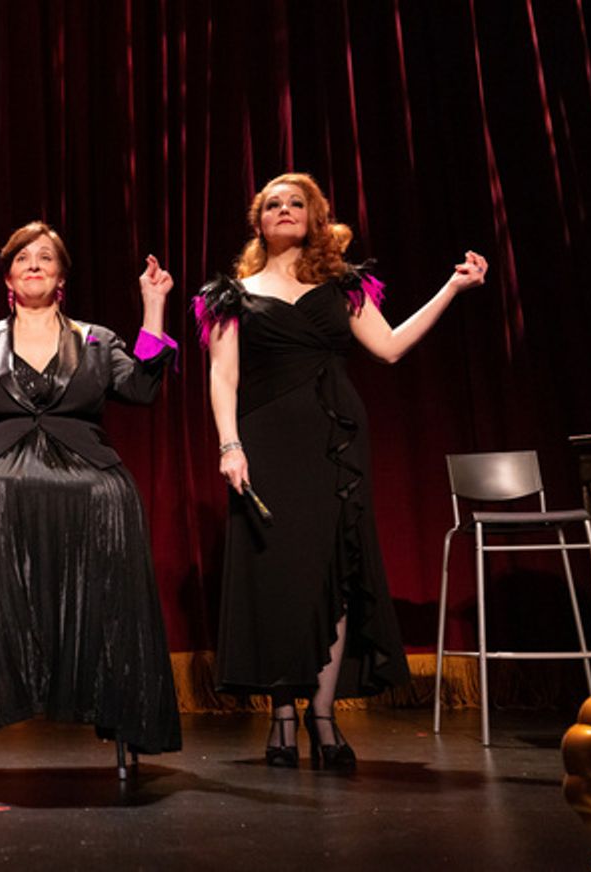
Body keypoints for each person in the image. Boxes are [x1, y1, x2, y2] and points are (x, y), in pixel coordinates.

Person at [196, 172, 487, 770]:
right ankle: (281, 720)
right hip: (266, 442)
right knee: (276, 575)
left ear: (314, 216)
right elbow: (222, 376)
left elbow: (390, 347)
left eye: (295, 202)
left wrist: (451, 289)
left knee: (334, 569)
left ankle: (322, 716)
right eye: (272, 203)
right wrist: (230, 445)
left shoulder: (344, 287)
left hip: (335, 443)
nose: (283, 209)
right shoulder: (232, 294)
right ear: (259, 222)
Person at [0, 221, 182, 773]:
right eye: (23, 258)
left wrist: (154, 308)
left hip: (87, 470)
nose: (34, 264)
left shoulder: (97, 339)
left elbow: (142, 389)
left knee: (110, 496)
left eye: (46, 258)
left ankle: (113, 705)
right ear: (8, 274)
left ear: (61, 277)